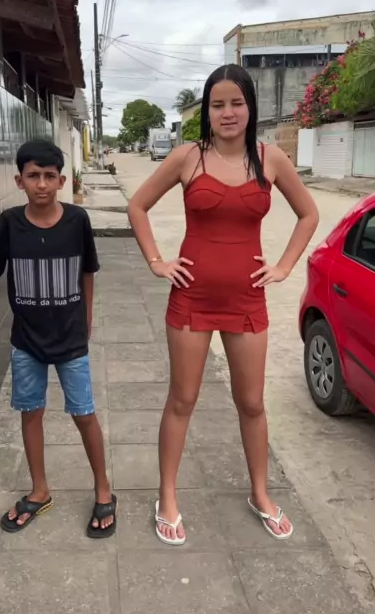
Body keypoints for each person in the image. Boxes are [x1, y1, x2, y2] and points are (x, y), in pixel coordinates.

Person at [127, 65, 319, 546]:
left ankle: (261, 493)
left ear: (250, 107)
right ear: (207, 112)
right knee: (182, 400)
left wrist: (284, 267)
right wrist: (156, 261)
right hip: (191, 299)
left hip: (247, 300)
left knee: (252, 403)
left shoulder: (271, 159)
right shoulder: (187, 157)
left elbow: (309, 214)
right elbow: (138, 205)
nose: (227, 112)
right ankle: (167, 496)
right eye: (217, 104)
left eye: (236, 103)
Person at [0, 139, 116, 538]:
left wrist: (87, 317)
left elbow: (87, 271)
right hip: (26, 341)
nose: (41, 184)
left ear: (62, 181)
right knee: (31, 412)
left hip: (70, 339)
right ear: (19, 180)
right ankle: (39, 490)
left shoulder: (77, 220)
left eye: (49, 176)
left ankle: (103, 488)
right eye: (33, 176)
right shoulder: (8, 223)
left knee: (84, 413)